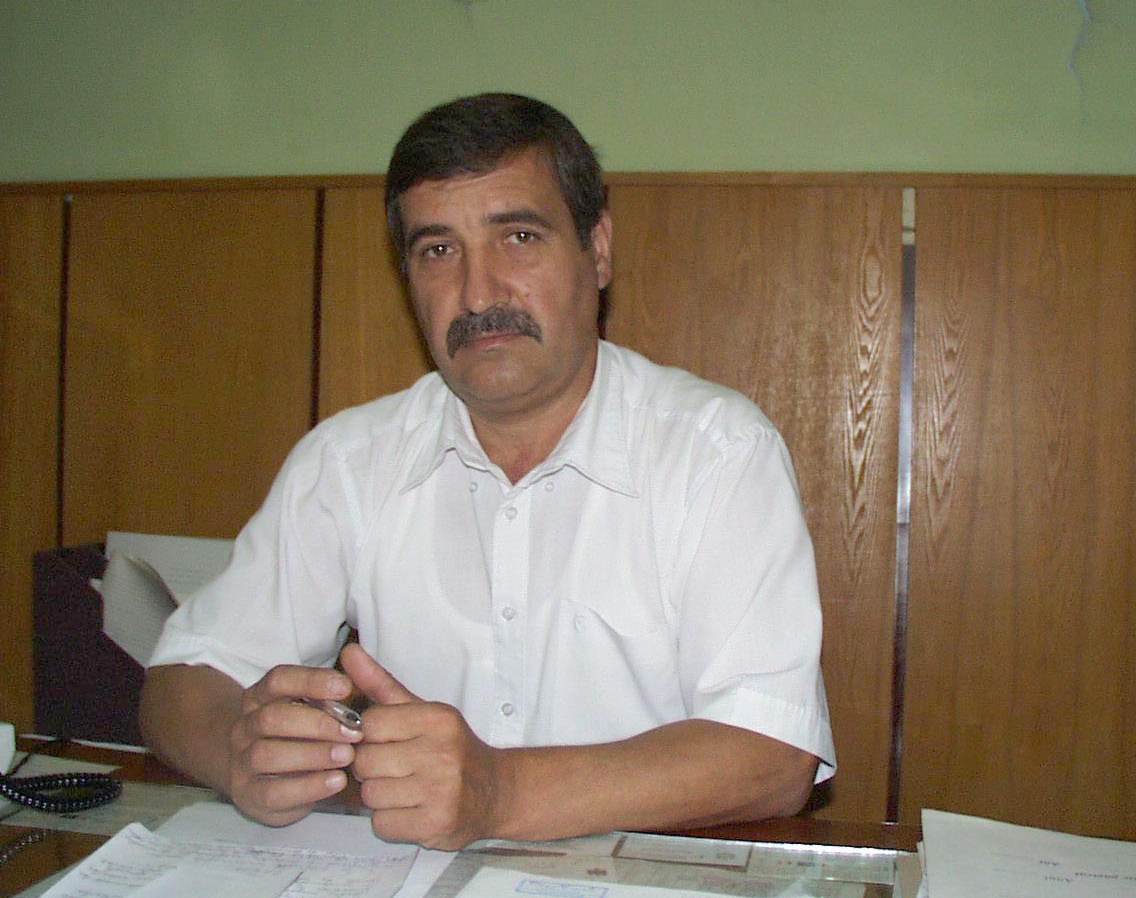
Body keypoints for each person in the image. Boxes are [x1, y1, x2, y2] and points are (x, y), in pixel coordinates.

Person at [140, 93, 835, 851]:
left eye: (519, 237)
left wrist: (499, 792)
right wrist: (239, 753)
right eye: (438, 251)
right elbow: (183, 678)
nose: (477, 294)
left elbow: (773, 756)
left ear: (598, 250)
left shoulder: (716, 451)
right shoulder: (347, 462)